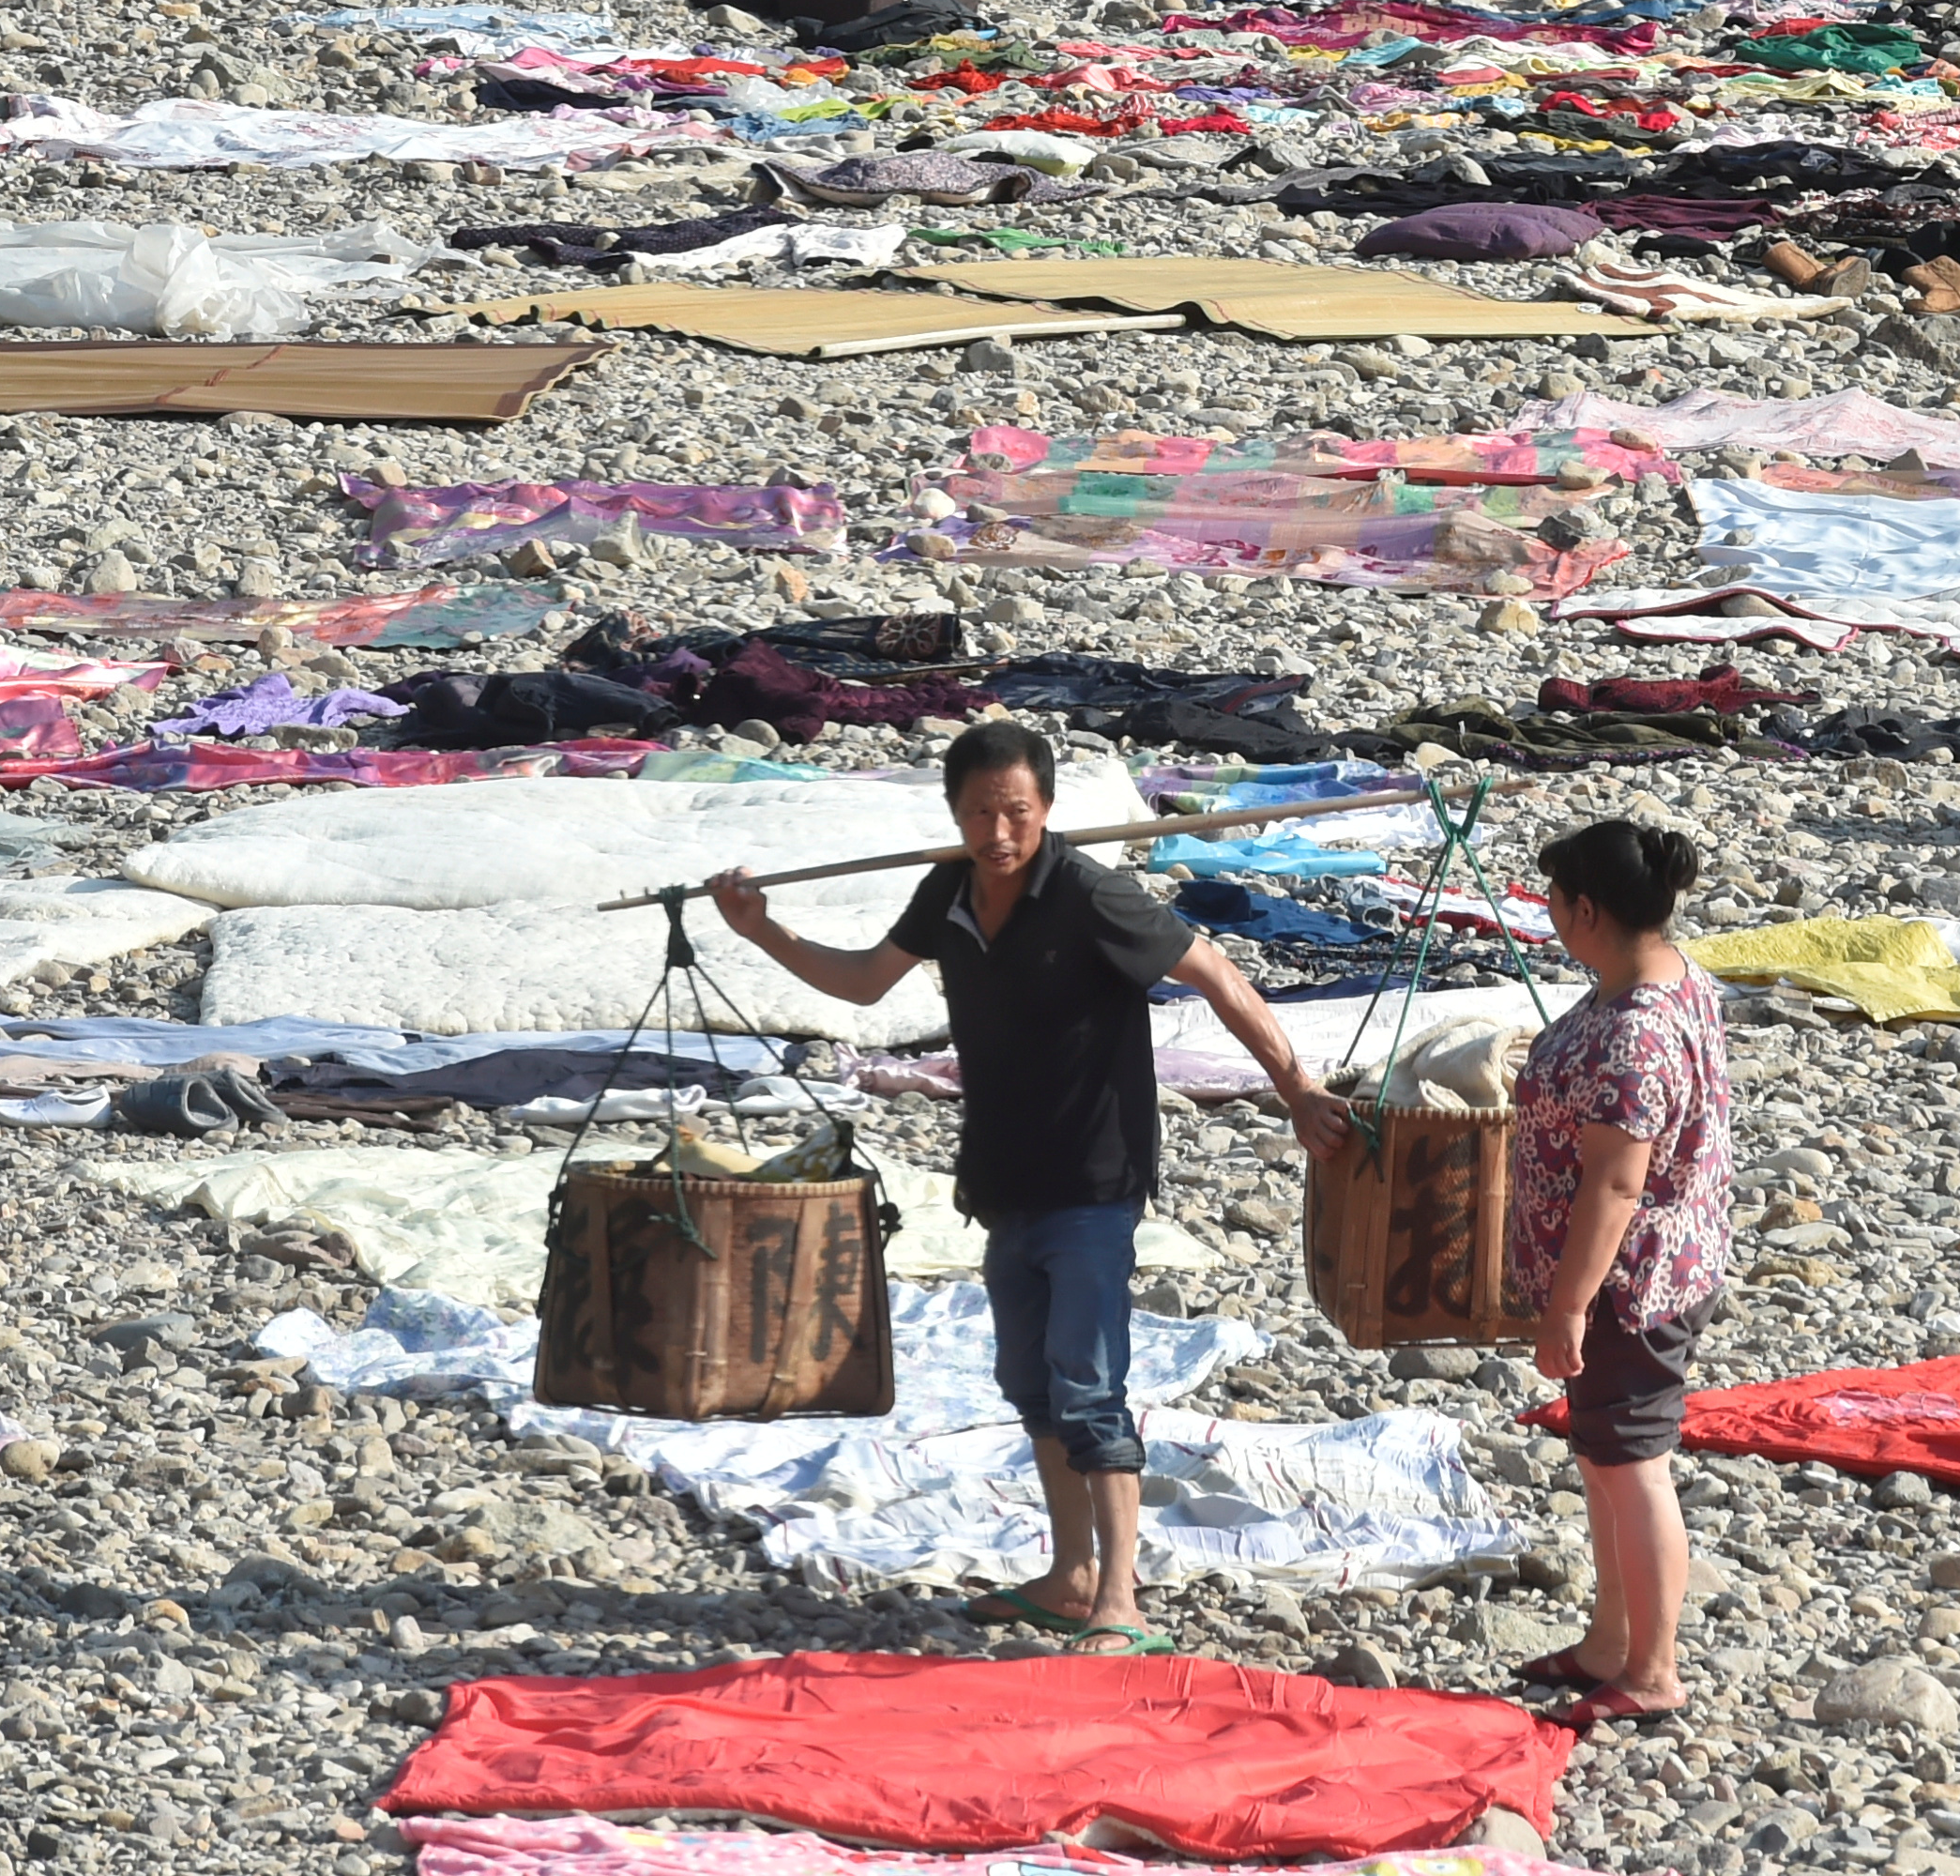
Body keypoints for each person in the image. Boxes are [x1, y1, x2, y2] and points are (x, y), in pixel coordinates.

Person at [710, 718, 1349, 1654]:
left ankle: (1120, 1601)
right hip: (1002, 1179)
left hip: (1093, 1176)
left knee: (1089, 1384)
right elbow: (859, 985)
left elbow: (1214, 970)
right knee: (1030, 1383)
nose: (999, 832)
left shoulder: (1090, 894)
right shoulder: (947, 893)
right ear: (955, 815)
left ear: (1044, 809)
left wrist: (1297, 1088)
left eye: (1015, 811)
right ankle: (1069, 1573)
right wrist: (761, 929)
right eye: (979, 813)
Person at [1504, 816, 1733, 1734]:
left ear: (1586, 910)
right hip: (1658, 1268)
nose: (1551, 917)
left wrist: (1566, 1305)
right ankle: (1609, 1642)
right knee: (1603, 1455)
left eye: (1554, 903)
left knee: (1632, 1463)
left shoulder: (1636, 1032)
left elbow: (1615, 1180)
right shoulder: (1670, 978)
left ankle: (1651, 1668)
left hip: (1631, 1285)